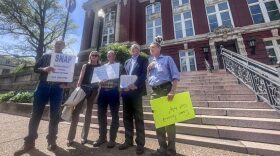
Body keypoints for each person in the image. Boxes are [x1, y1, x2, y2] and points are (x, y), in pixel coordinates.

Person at [14, 40, 68, 155]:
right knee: (35, 114)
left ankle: (51, 142)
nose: (58, 45)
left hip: (57, 89)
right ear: (54, 45)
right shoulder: (46, 56)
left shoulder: (67, 60)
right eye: (57, 44)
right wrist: (44, 69)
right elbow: (35, 68)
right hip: (43, 86)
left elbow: (68, 74)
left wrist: (66, 83)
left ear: (64, 46)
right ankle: (29, 143)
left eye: (61, 44)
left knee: (55, 116)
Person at [147, 36, 180, 156]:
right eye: (150, 49)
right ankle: (162, 148)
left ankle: (171, 151)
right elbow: (150, 80)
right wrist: (148, 70)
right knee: (158, 122)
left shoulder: (167, 59)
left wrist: (172, 91)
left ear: (159, 48)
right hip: (154, 92)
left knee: (169, 122)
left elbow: (175, 76)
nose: (151, 50)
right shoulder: (151, 63)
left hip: (166, 90)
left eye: (153, 48)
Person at [66, 51, 101, 147]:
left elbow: (101, 80)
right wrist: (78, 87)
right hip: (84, 88)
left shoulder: (100, 67)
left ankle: (84, 137)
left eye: (96, 55)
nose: (94, 57)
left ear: (98, 57)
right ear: (90, 56)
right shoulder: (86, 66)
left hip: (94, 90)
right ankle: (70, 138)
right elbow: (80, 78)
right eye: (92, 55)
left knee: (88, 113)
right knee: (76, 112)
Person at [119, 44, 148, 155]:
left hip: (136, 91)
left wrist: (135, 84)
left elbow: (144, 74)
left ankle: (140, 144)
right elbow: (123, 75)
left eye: (136, 48)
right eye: (132, 49)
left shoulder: (143, 60)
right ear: (131, 51)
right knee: (127, 118)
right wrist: (124, 86)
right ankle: (128, 141)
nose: (134, 50)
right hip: (126, 93)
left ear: (139, 50)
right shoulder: (126, 62)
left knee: (138, 118)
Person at [93, 50, 120, 149]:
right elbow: (97, 80)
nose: (110, 56)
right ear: (107, 56)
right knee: (101, 115)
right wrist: (99, 81)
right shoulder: (102, 67)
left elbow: (122, 79)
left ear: (115, 56)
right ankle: (102, 137)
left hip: (113, 91)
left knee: (114, 115)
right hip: (103, 92)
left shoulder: (119, 66)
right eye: (108, 55)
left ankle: (112, 139)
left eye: (112, 55)